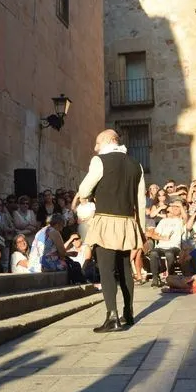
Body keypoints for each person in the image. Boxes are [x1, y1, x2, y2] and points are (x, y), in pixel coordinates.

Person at [75, 129, 146, 333]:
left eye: (98, 143)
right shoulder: (137, 165)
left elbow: (84, 190)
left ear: (108, 141)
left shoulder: (99, 160)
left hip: (106, 220)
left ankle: (112, 317)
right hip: (128, 222)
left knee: (106, 270)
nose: (95, 147)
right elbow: (140, 202)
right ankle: (128, 313)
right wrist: (141, 231)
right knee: (125, 268)